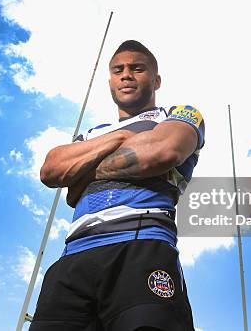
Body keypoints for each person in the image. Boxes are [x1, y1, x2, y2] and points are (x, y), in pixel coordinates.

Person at [31, 40, 205, 331]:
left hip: (141, 245)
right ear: (110, 80)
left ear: (156, 79)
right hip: (73, 255)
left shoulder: (178, 113)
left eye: (138, 68)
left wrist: (83, 173)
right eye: (118, 70)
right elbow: (51, 169)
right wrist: (121, 138)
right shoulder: (92, 132)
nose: (127, 75)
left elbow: (162, 152)